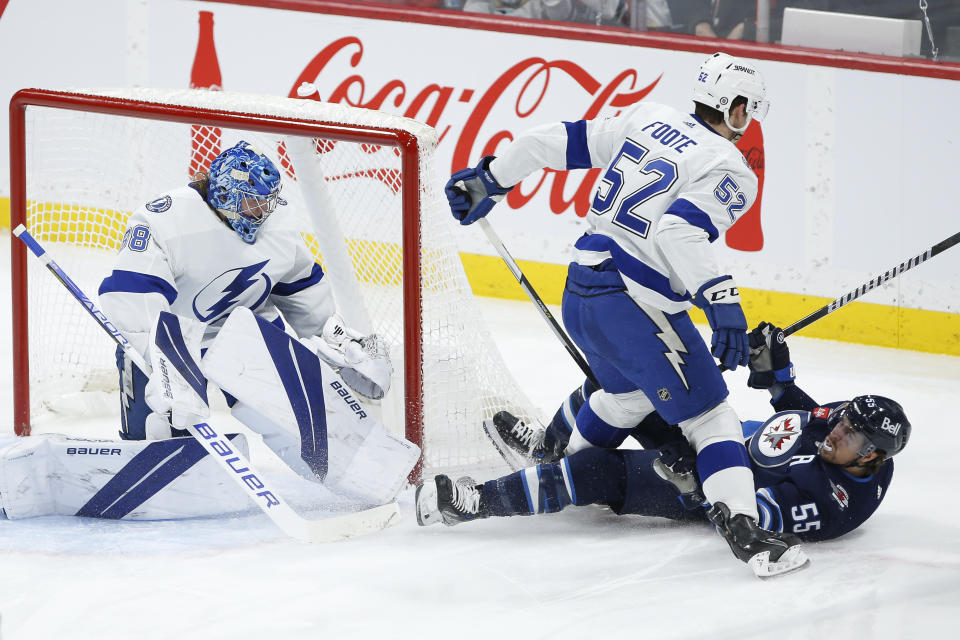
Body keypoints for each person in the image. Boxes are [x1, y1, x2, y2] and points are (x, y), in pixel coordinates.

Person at [442, 52, 792, 576]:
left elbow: (548, 141)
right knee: (711, 416)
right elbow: (678, 231)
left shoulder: (648, 117)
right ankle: (746, 531)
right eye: (748, 110)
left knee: (626, 396)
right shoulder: (729, 168)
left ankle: (559, 460)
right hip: (633, 304)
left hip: (580, 290)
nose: (749, 121)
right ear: (736, 108)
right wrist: (722, 303)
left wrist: (492, 177)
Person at [416, 324, 911, 577]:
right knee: (619, 386)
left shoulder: (832, 501)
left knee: (597, 471)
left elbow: (748, 524)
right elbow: (804, 412)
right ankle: (550, 451)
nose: (837, 430)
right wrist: (778, 372)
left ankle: (475, 502)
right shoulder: (846, 432)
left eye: (850, 435)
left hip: (705, 484)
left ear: (872, 458)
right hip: (717, 436)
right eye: (844, 419)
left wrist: (695, 486)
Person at [88, 139, 415, 505]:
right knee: (161, 428)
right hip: (169, 336)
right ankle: (153, 455)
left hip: (242, 334)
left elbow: (300, 284)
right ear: (224, 194)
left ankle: (371, 477)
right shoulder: (164, 219)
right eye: (251, 202)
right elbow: (133, 299)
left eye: (267, 202)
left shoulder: (277, 225)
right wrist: (165, 363)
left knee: (309, 423)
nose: (262, 211)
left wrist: (335, 337)